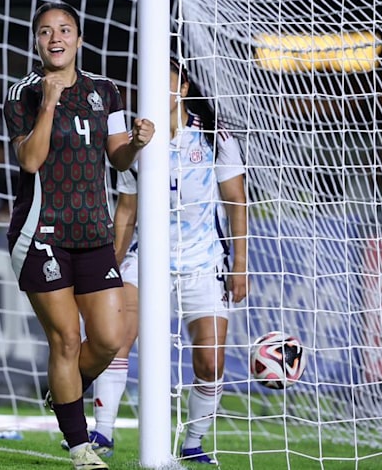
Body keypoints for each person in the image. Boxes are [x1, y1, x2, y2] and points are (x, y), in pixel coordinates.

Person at [2, 2, 155, 470]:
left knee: (110, 340)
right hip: (40, 233)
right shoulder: (22, 93)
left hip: (93, 233)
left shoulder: (105, 91)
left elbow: (118, 159)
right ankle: (79, 445)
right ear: (36, 41)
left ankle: (63, 393)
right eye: (46, 31)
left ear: (79, 39)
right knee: (66, 340)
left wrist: (136, 142)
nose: (56, 38)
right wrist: (48, 102)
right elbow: (30, 161)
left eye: (65, 29)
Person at [87, 59, 249, 465]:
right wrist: (111, 264)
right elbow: (126, 210)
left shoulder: (214, 135)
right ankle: (101, 435)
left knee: (210, 363)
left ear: (186, 87)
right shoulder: (135, 142)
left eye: (168, 83)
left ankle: (194, 444)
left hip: (203, 262)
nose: (159, 92)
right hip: (147, 260)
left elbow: (236, 200)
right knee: (114, 340)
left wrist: (240, 264)